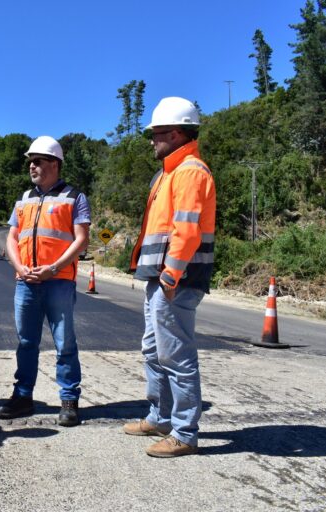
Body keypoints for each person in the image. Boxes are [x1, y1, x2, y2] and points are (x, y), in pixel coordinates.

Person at [124, 96, 216, 457]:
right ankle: (160, 417)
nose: (152, 140)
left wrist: (170, 276)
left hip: (177, 279)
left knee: (175, 355)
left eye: (157, 133)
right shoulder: (168, 172)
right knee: (153, 349)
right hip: (161, 277)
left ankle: (184, 433)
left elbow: (187, 230)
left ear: (177, 134)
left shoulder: (190, 171)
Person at [0, 136, 91, 427]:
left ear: (55, 163)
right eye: (30, 162)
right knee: (26, 342)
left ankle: (69, 400)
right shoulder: (24, 198)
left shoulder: (75, 197)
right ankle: (23, 396)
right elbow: (12, 237)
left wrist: (53, 268)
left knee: (65, 343)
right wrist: (19, 266)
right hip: (26, 281)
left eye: (37, 161)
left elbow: (82, 239)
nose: (32, 166)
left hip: (59, 281)